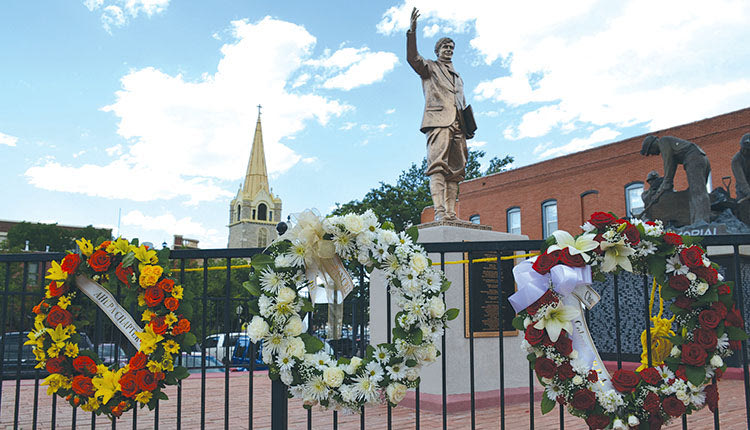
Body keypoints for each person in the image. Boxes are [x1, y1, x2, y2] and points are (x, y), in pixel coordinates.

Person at [407, 7, 470, 221]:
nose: (449, 49)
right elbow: (413, 59)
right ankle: (439, 211)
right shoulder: (430, 68)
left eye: (452, 47)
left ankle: (451, 213)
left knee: (456, 171)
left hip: (458, 125)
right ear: (437, 50)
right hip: (438, 122)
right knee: (437, 166)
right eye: (445, 46)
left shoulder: (458, 76)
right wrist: (412, 32)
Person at [640, 135, 711, 224]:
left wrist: (667, 182)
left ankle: (702, 221)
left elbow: (668, 163)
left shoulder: (663, 142)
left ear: (652, 144)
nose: (652, 154)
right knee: (693, 193)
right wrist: (667, 183)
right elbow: (672, 165)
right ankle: (696, 221)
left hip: (694, 159)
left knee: (698, 191)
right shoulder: (668, 143)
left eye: (650, 151)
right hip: (699, 158)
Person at [731, 133, 750, 202]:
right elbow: (741, 180)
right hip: (743, 192)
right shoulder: (736, 160)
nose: (745, 151)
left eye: (748, 150)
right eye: (744, 149)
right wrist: (748, 192)